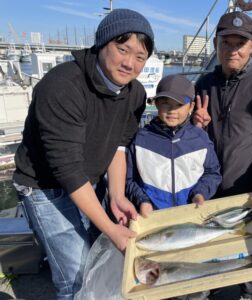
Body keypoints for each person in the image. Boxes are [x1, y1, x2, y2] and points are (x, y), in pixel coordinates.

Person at [12, 9, 154, 300]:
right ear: (102, 43)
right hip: (43, 186)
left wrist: (116, 194)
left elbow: (119, 145)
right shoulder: (62, 86)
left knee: (94, 261)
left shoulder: (135, 93)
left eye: (140, 57)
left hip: (87, 179)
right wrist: (111, 230)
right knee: (75, 274)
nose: (129, 63)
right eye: (122, 48)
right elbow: (67, 169)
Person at [194, 11, 252, 300]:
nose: (232, 49)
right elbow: (187, 136)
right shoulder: (204, 83)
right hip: (209, 187)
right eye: (226, 42)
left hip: (247, 188)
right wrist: (194, 125)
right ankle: (215, 289)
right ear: (215, 43)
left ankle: (250, 294)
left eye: (240, 43)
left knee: (251, 249)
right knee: (214, 248)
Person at [126, 74, 221, 216]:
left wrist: (200, 193)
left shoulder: (200, 138)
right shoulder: (140, 139)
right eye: (165, 103)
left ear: (191, 107)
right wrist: (142, 201)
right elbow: (128, 179)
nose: (172, 110)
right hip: (153, 216)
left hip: (191, 213)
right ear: (156, 103)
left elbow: (212, 173)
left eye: (179, 104)